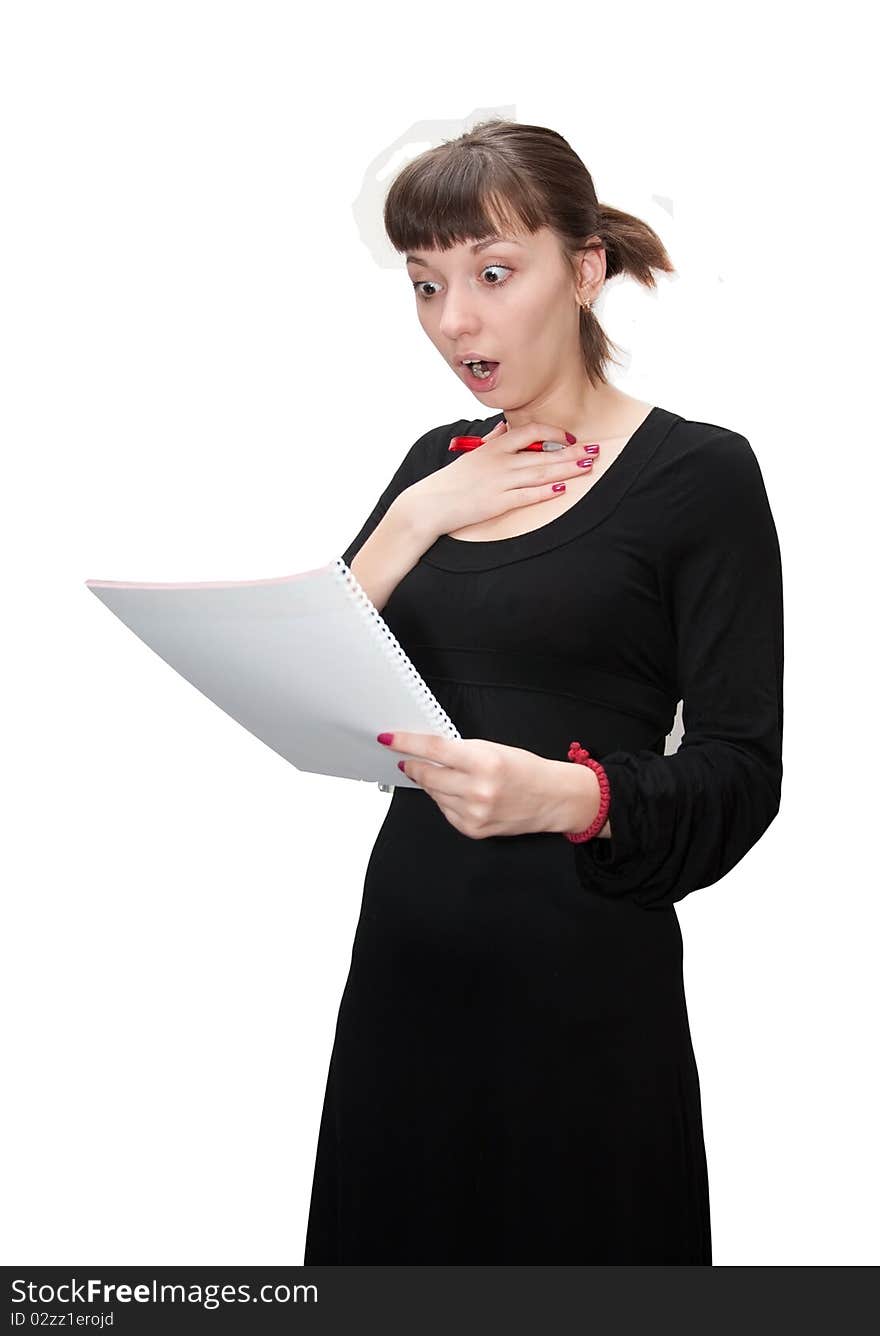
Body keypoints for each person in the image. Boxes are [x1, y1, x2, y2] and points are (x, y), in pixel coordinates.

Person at [303, 119, 784, 1265]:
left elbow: (740, 769)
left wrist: (564, 799)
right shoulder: (436, 462)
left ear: (583, 271)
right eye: (425, 284)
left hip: (581, 994)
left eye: (491, 273)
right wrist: (420, 512)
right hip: (404, 969)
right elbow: (320, 683)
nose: (453, 319)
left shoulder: (700, 476)